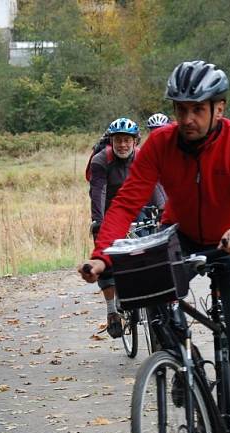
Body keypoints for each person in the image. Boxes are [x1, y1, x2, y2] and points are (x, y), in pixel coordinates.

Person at [79, 60, 230, 433]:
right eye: (180, 108)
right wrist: (103, 255)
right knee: (153, 297)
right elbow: (126, 203)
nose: (186, 118)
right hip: (182, 233)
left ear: (218, 109)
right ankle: (183, 362)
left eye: (196, 110)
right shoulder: (160, 144)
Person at [89, 117, 166, 338]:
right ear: (111, 141)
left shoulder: (143, 157)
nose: (123, 144)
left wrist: (163, 211)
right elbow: (98, 193)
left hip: (138, 207)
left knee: (150, 251)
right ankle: (112, 310)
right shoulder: (101, 160)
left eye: (127, 140)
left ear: (135, 141)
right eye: (118, 140)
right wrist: (99, 222)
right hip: (109, 210)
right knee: (107, 259)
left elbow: (155, 185)